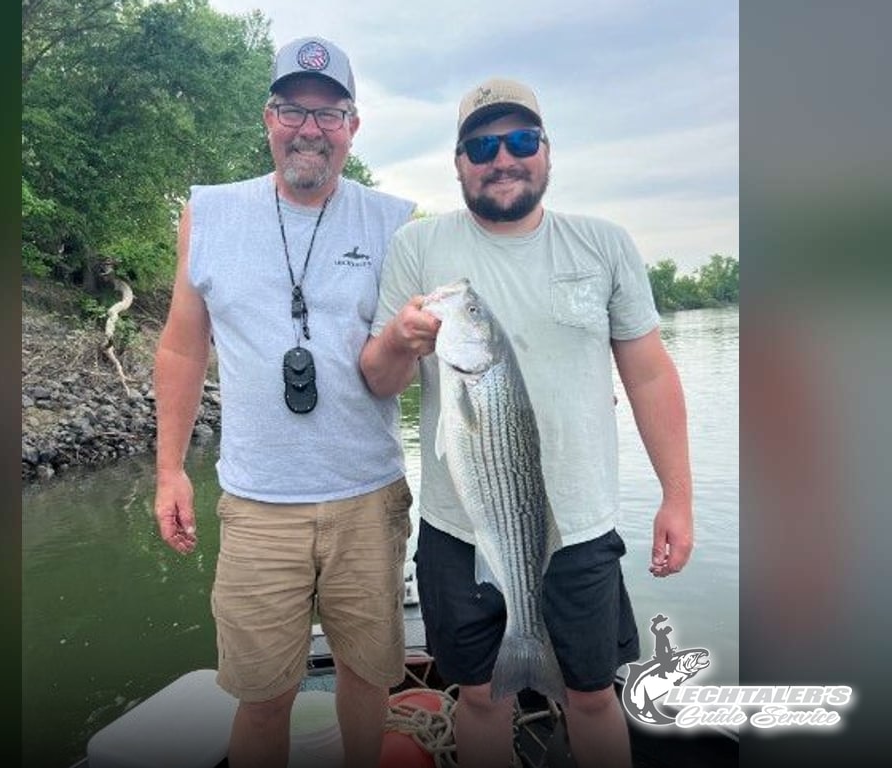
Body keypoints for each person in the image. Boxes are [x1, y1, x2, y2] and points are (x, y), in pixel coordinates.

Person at [360, 77, 693, 768]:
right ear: (457, 162)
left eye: (519, 141)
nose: (501, 158)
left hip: (583, 524)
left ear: (547, 152)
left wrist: (678, 497)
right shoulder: (417, 248)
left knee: (595, 696)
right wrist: (399, 339)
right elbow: (377, 379)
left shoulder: (602, 245)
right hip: (462, 525)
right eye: (481, 144)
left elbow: (650, 373)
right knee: (481, 698)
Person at [153, 36, 415, 768]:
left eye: (330, 116)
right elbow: (180, 347)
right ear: (267, 118)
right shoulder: (207, 213)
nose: (310, 129)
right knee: (262, 695)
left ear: (353, 129)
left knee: (369, 679)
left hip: (370, 498)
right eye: (292, 110)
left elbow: (425, 352)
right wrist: (170, 469)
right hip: (258, 502)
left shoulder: (394, 222)